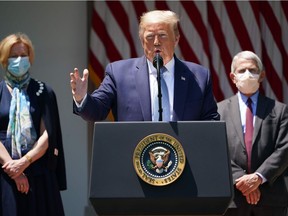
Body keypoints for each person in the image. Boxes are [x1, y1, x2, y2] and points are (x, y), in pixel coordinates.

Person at [70, 10, 219, 122]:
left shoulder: (198, 76)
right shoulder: (118, 73)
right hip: (135, 159)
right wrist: (82, 98)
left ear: (176, 39)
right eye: (149, 37)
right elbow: (97, 110)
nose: (156, 42)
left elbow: (211, 120)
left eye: (162, 35)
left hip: (185, 159)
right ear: (142, 42)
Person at [0, 33, 66, 216]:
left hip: (39, 172)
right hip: (4, 173)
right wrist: (14, 169)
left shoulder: (44, 91)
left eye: (24, 55)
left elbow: (48, 136)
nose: (19, 60)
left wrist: (23, 163)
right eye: (14, 56)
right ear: (5, 60)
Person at [217, 51, 288, 216]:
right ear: (233, 77)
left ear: (262, 75)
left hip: (270, 198)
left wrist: (258, 177)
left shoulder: (280, 110)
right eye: (242, 71)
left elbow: (285, 149)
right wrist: (243, 181)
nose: (247, 75)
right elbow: (215, 149)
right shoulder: (218, 111)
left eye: (253, 70)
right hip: (233, 199)